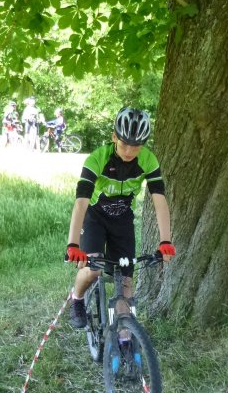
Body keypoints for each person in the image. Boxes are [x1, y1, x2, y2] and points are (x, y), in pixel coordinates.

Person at [65, 106, 176, 329]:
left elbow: (160, 200)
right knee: (93, 270)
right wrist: (73, 244)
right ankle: (76, 299)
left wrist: (165, 241)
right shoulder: (97, 159)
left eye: (136, 147)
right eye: (124, 144)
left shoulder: (148, 160)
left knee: (126, 281)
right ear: (114, 136)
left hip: (122, 219)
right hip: (95, 217)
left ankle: (125, 338)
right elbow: (81, 203)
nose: (128, 151)